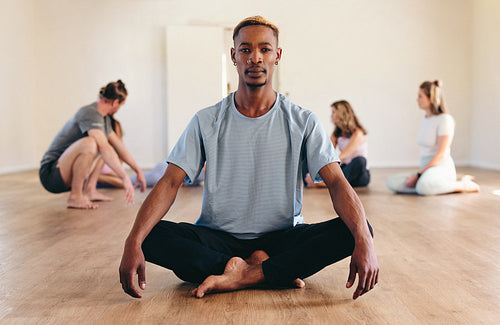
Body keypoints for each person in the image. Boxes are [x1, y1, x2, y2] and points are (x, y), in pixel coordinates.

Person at [119, 16, 378, 300]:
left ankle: (240, 274)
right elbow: (169, 183)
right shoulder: (207, 119)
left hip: (281, 238)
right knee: (150, 235)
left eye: (265, 49)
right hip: (218, 240)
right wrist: (133, 241)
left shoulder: (302, 120)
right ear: (234, 56)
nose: (255, 58)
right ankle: (265, 272)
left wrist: (363, 239)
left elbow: (337, 183)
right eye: (245, 50)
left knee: (356, 229)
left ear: (277, 56)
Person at [39, 80, 146, 209]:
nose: (119, 109)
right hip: (51, 174)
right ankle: (75, 196)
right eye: (121, 105)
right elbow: (103, 147)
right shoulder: (89, 112)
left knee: (106, 146)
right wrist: (124, 177)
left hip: (64, 172)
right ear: (115, 102)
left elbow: (119, 146)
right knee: (92, 143)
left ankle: (90, 190)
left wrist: (138, 171)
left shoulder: (104, 118)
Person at [386, 80, 480, 195]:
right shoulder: (424, 119)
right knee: (391, 182)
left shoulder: (445, 119)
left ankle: (463, 185)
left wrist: (419, 175)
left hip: (440, 167)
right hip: (425, 168)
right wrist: (419, 174)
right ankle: (432, 185)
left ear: (431, 99)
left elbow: (440, 154)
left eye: (420, 96)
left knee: (423, 187)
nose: (417, 99)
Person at [305, 100, 370, 188]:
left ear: (341, 114)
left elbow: (346, 153)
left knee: (360, 160)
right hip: (345, 169)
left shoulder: (358, 132)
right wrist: (317, 168)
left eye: (333, 112)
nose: (331, 116)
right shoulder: (336, 133)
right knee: (307, 158)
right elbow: (327, 153)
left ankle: (324, 183)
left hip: (359, 174)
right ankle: (313, 180)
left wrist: (330, 166)